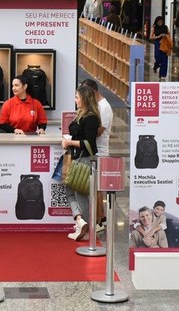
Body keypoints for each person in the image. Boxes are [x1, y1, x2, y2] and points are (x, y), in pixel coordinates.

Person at [63, 85, 101, 241]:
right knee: (70, 190)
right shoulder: (81, 115)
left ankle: (86, 231)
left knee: (81, 195)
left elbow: (90, 144)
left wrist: (70, 143)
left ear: (85, 99)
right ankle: (80, 221)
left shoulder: (91, 118)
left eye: (77, 97)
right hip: (76, 158)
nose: (75, 100)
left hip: (84, 160)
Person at [80, 79, 113, 232]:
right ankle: (100, 218)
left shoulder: (104, 107)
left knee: (97, 189)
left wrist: (86, 129)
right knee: (95, 188)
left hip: (100, 151)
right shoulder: (96, 106)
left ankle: (100, 220)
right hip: (93, 151)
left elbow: (99, 131)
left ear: (92, 91)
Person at [151, 16, 170, 80]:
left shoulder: (165, 27)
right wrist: (159, 36)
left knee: (164, 60)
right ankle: (156, 66)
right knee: (158, 58)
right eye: (159, 22)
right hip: (157, 43)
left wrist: (166, 36)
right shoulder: (154, 27)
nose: (160, 23)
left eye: (161, 22)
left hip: (164, 44)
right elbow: (151, 37)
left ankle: (163, 75)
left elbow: (169, 35)